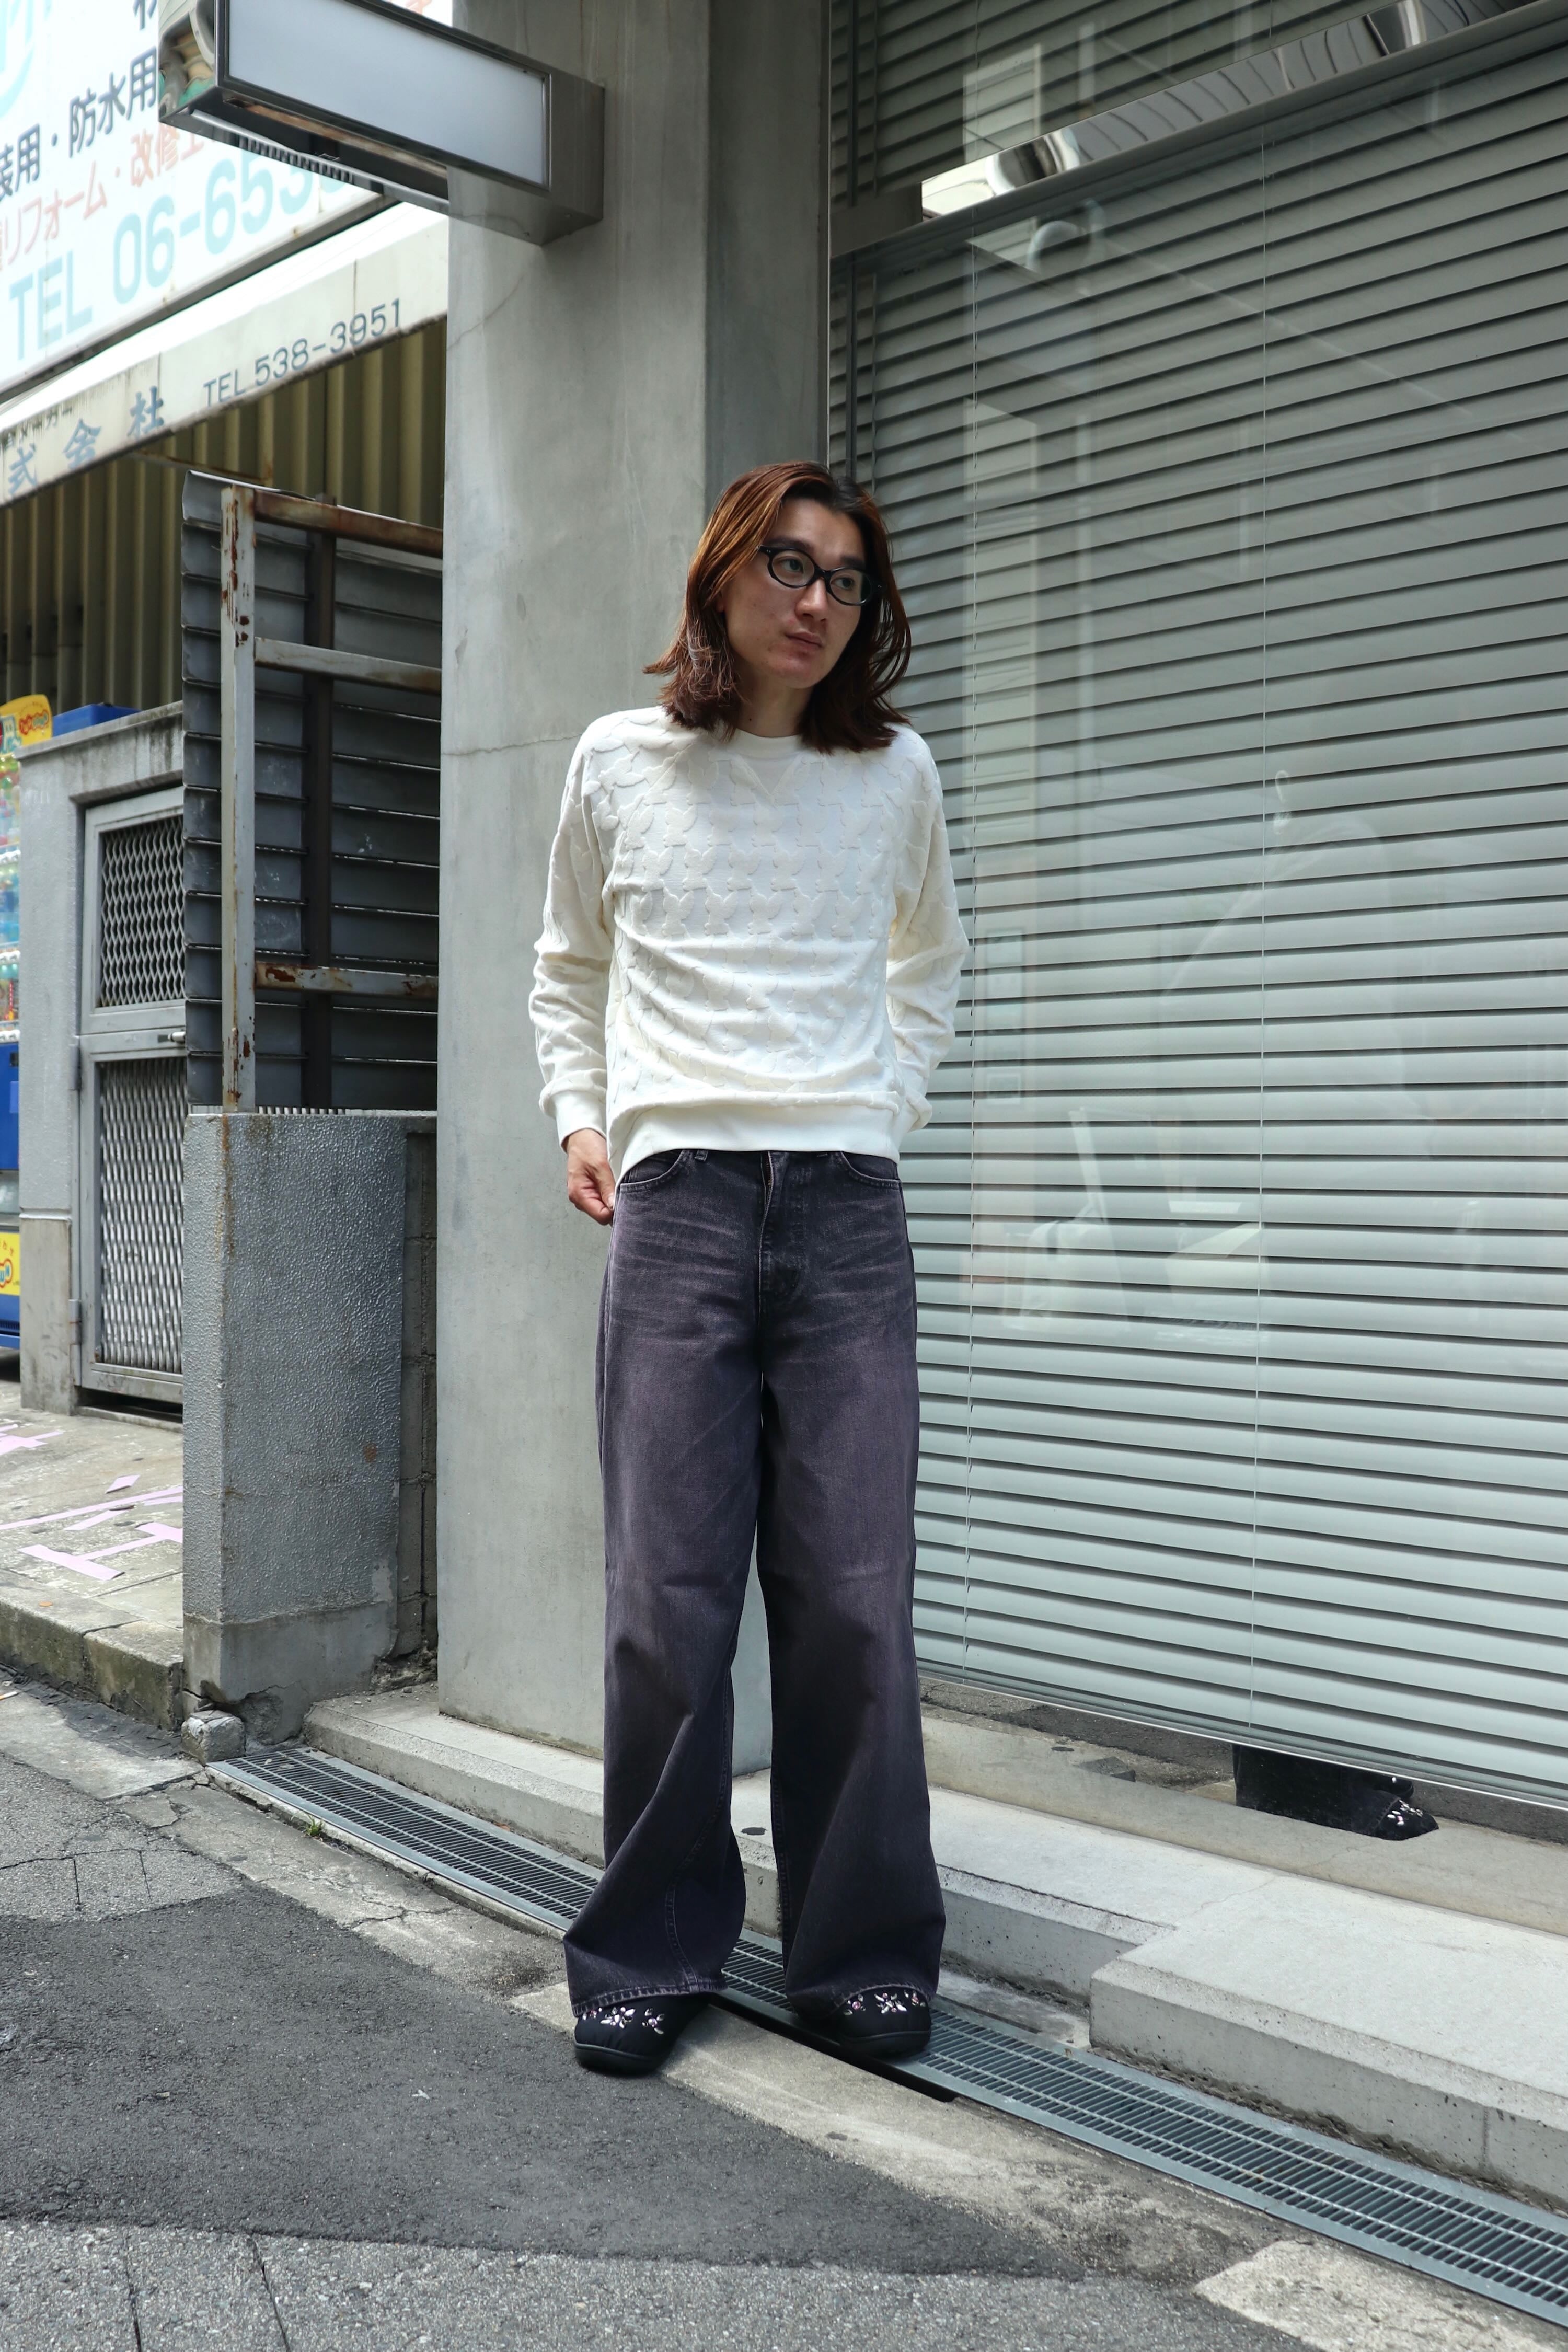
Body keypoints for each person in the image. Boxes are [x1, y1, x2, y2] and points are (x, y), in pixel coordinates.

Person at [529, 460, 967, 2078]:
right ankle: (650, 1948)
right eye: (789, 564)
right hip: (682, 1205)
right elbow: (568, 965)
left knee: (852, 1599)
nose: (815, 600)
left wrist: (879, 1108)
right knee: (668, 1601)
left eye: (847, 579)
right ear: (722, 572)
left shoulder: (895, 773)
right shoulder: (618, 763)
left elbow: (929, 967)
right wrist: (588, 1118)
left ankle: (859, 1954)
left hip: (847, 1209)